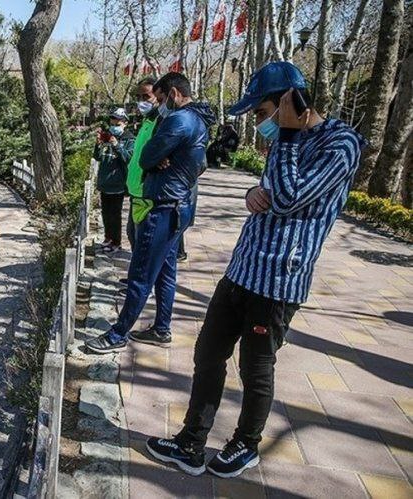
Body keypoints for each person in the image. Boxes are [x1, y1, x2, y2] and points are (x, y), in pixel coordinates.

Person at [145, 61, 366, 479]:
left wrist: (287, 134)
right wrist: (251, 192)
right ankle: (190, 442)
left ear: (290, 101)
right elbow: (270, 192)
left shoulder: (341, 144)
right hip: (242, 268)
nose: (261, 123)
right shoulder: (286, 139)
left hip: (279, 280)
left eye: (263, 112)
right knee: (208, 352)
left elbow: (288, 197)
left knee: (256, 368)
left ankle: (245, 444)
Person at [86, 72, 215, 353]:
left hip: (163, 207)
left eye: (159, 97)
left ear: (174, 94)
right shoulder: (197, 120)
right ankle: (161, 328)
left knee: (141, 273)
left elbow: (145, 158)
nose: (156, 103)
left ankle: (118, 334)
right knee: (165, 272)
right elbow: (199, 164)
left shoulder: (179, 120)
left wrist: (160, 162)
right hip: (175, 205)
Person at [94, 108, 134, 252]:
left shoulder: (129, 139)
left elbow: (128, 158)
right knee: (105, 213)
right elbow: (98, 157)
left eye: (118, 123)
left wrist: (116, 145)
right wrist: (98, 144)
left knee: (115, 215)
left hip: (118, 184)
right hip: (105, 183)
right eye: (112, 122)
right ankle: (108, 238)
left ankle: (116, 242)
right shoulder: (107, 137)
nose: (114, 125)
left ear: (125, 123)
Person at [126, 77, 158, 250]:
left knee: (143, 245)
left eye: (146, 96)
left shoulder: (161, 122)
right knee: (133, 236)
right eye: (138, 97)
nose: (141, 101)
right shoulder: (146, 121)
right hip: (135, 191)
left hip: (147, 194)